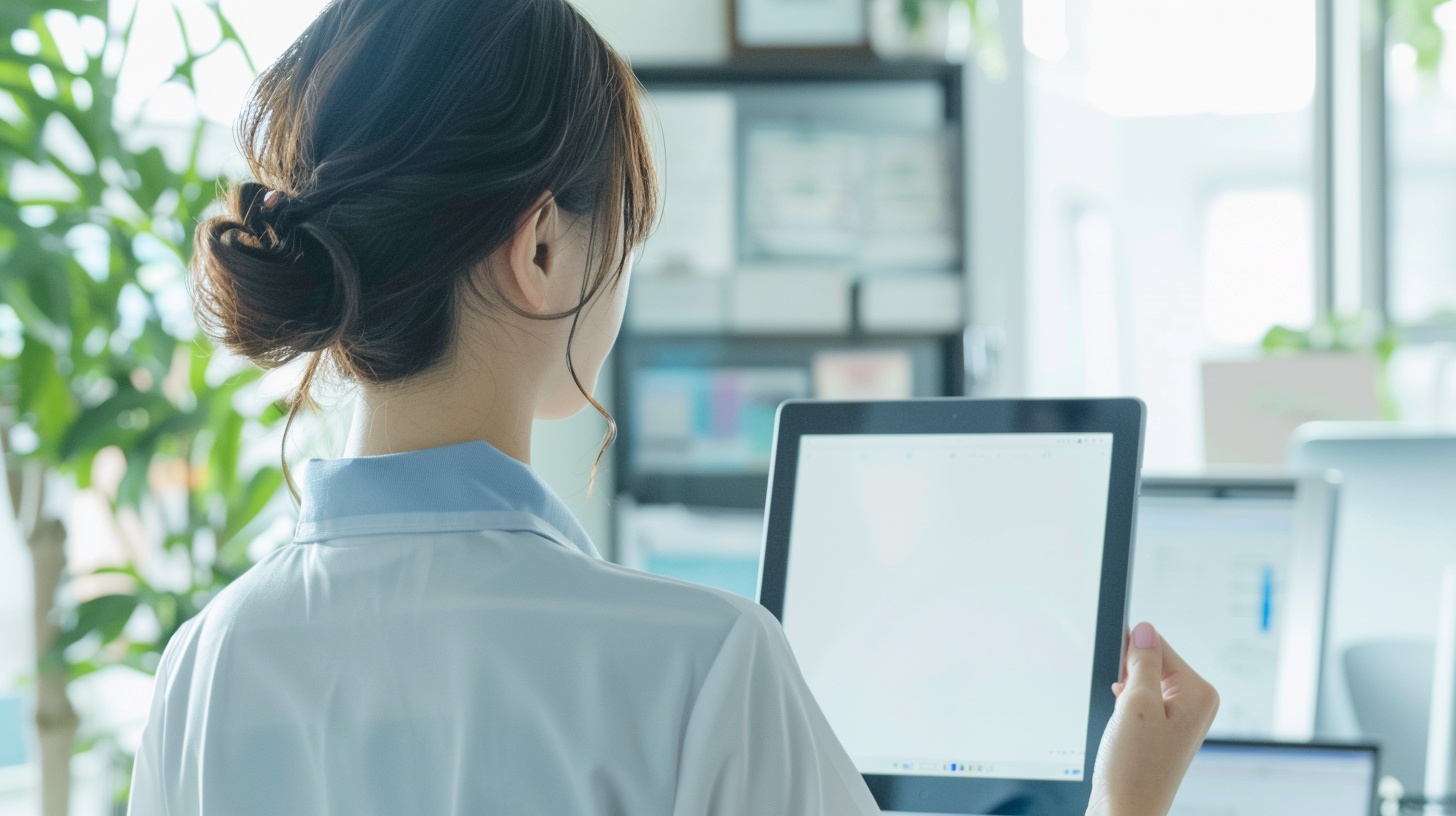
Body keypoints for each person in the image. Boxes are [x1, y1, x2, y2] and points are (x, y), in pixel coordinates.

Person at [128, 0, 1218, 813]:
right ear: (544, 248)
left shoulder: (207, 664)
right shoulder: (705, 667)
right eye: (628, 234)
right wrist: (1127, 800)